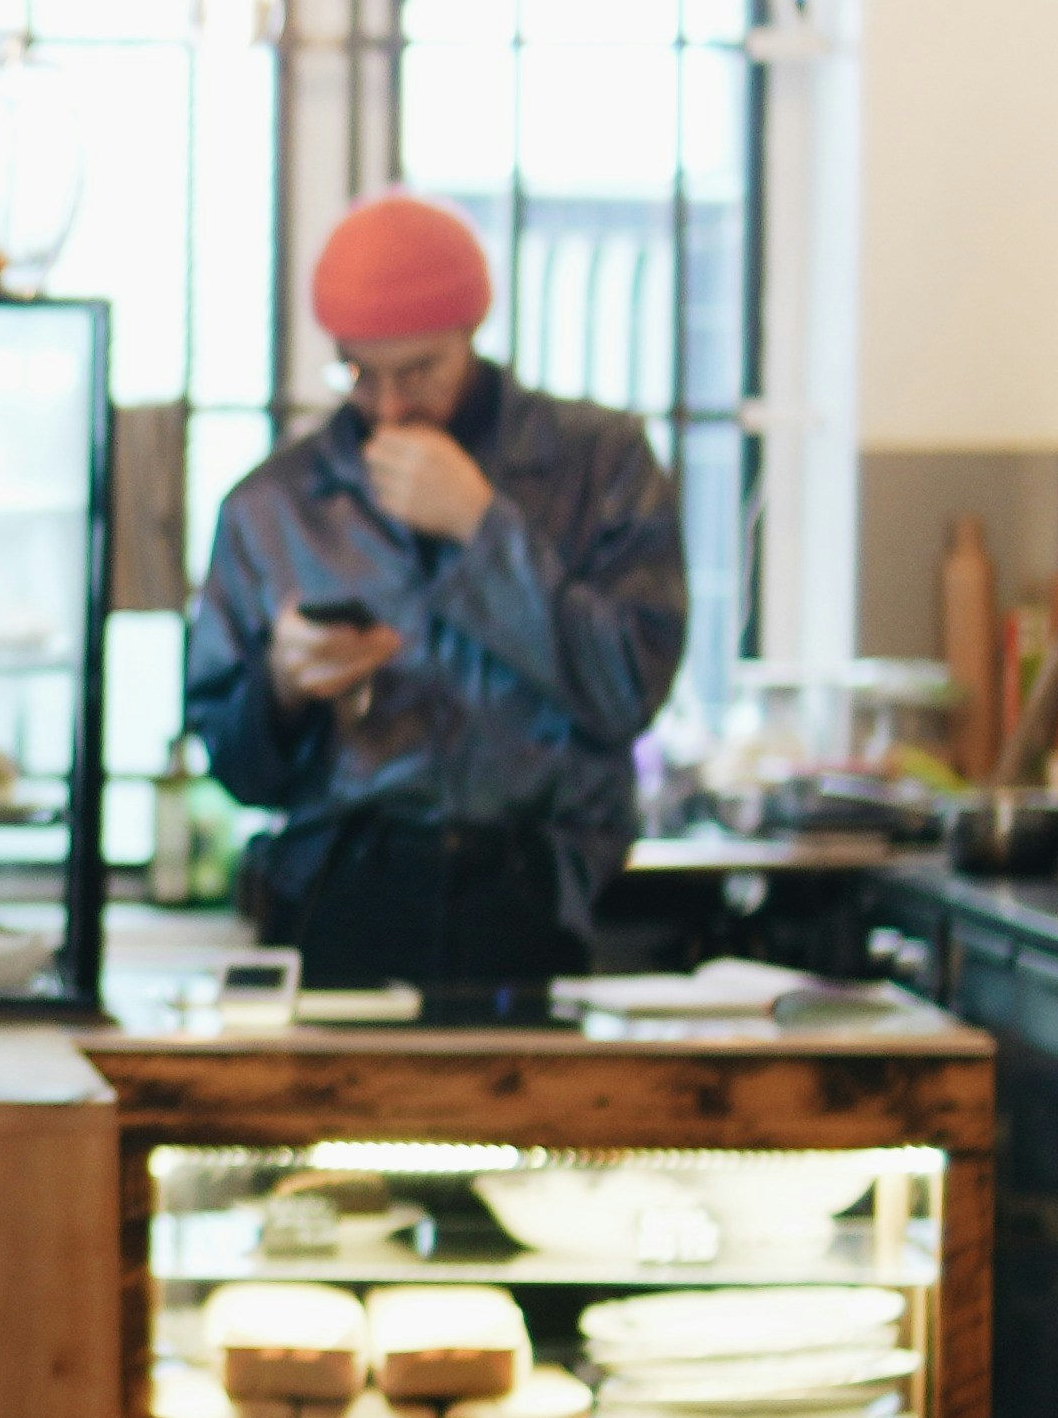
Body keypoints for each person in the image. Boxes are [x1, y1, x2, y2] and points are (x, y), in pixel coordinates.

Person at [181, 191, 690, 1000]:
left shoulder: (601, 465)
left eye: (419, 371)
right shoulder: (273, 505)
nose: (389, 406)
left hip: (541, 905)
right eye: (358, 373)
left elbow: (629, 686)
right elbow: (236, 770)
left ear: (472, 335)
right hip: (334, 903)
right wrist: (280, 687)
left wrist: (483, 528)